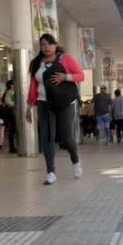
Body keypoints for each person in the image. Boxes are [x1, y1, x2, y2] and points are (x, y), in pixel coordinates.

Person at [25, 33, 83, 185]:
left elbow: (80, 75)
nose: (46, 47)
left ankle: (75, 160)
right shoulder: (36, 63)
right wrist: (29, 106)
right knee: (47, 138)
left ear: (55, 44)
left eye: (49, 44)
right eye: (43, 45)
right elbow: (33, 86)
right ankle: (51, 172)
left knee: (66, 137)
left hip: (64, 103)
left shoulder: (66, 59)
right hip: (43, 103)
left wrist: (66, 77)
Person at [0, 80, 18, 153]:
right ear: (11, 85)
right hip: (12, 113)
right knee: (12, 130)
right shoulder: (9, 92)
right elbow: (8, 102)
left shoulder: (10, 92)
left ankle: (13, 146)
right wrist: (16, 104)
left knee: (12, 131)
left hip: (13, 113)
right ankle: (12, 147)